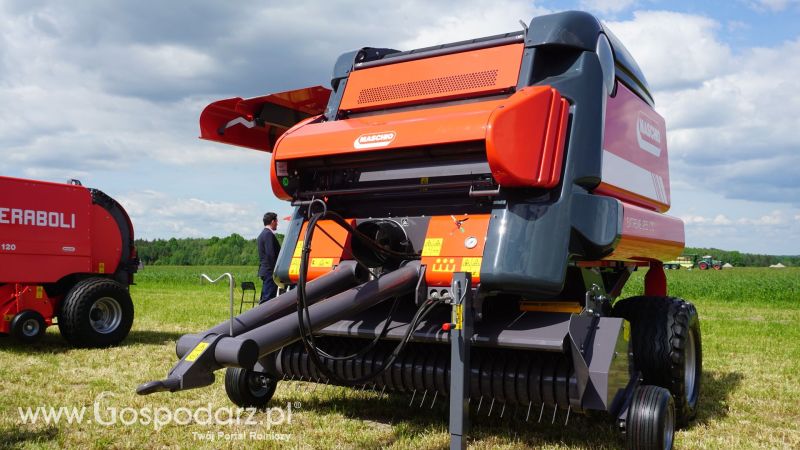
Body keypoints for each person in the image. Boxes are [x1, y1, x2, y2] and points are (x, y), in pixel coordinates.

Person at [257, 212, 281, 303]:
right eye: (276, 221)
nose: (277, 223)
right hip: (270, 271)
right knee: (268, 299)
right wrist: (275, 270)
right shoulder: (268, 235)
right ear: (272, 221)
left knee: (265, 296)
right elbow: (271, 254)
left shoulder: (262, 234)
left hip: (266, 270)